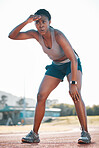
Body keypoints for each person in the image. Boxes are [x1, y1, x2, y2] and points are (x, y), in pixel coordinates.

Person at [8, 9, 91, 144]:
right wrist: (26, 21)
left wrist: (73, 83)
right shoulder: (36, 35)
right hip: (56, 65)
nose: (41, 25)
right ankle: (34, 134)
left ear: (49, 22)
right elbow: (12, 36)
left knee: (75, 94)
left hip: (71, 63)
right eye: (38, 23)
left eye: (44, 22)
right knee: (41, 95)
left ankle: (85, 133)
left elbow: (73, 59)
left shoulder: (57, 35)